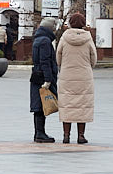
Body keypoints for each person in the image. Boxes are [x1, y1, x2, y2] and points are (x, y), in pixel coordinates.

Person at [56, 12, 97, 144]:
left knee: (67, 105)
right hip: (84, 76)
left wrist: (64, 66)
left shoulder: (64, 37)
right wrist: (87, 66)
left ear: (70, 23)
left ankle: (66, 136)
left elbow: (58, 57)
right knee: (82, 105)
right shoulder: (88, 38)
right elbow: (94, 58)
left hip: (67, 75)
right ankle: (81, 135)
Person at [29, 17, 58, 143]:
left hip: (36, 74)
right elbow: (45, 61)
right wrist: (48, 79)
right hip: (42, 76)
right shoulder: (45, 41)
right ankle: (40, 133)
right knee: (41, 105)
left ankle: (38, 133)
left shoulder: (38, 39)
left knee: (38, 105)